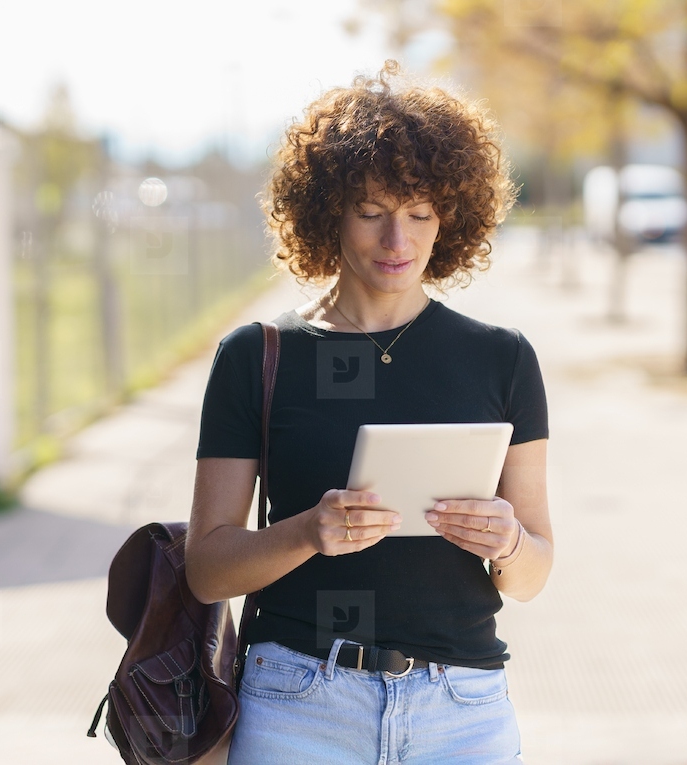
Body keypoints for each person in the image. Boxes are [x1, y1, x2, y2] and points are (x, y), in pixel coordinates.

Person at [185, 60, 554, 764]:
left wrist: (506, 541)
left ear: (450, 217)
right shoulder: (255, 356)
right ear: (329, 213)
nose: (398, 242)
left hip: (462, 712)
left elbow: (534, 570)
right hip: (297, 703)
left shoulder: (502, 358)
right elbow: (206, 568)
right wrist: (308, 531)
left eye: (419, 214)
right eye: (372, 212)